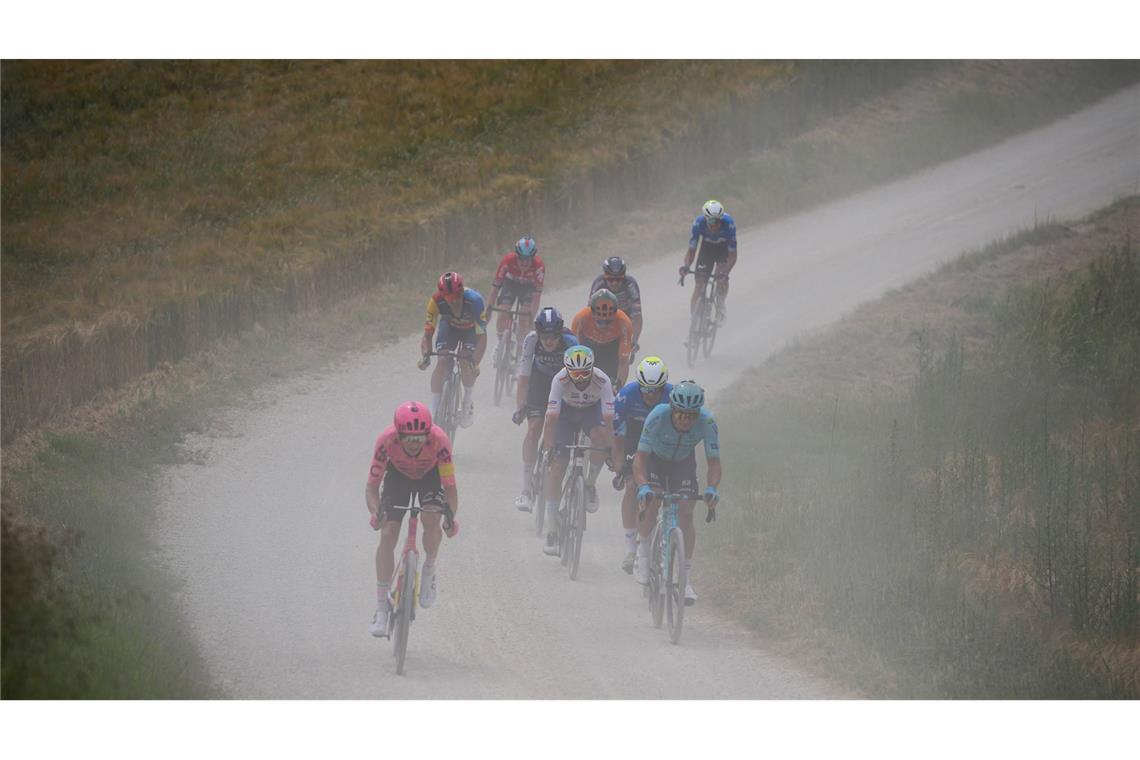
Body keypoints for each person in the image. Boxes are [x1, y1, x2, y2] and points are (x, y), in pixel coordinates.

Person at [366, 401, 461, 636]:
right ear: (398, 434)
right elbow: (371, 488)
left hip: (430, 476)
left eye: (419, 438)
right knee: (388, 534)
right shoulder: (386, 441)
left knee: (432, 519)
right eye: (409, 438)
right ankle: (381, 608)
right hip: (398, 477)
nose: (414, 443)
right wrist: (376, 512)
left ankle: (429, 569)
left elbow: (450, 488)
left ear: (428, 434)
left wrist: (449, 516)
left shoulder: (440, 442)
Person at [633, 380, 720, 605]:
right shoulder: (658, 415)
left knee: (686, 513)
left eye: (691, 416)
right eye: (680, 415)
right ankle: (641, 554)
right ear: (672, 409)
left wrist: (712, 488)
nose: (685, 421)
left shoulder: (707, 421)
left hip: (683, 464)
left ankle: (685, 579)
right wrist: (643, 486)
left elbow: (714, 463)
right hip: (655, 461)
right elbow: (640, 459)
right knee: (651, 503)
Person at [540, 345, 614, 555]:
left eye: (585, 373)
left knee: (599, 436)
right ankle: (552, 527)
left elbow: (609, 420)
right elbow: (551, 418)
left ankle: (589, 484)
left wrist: (609, 447)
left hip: (591, 412)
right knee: (557, 468)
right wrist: (548, 448)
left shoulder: (603, 380)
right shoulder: (559, 379)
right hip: (565, 414)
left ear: (592, 369)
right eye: (576, 373)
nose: (580, 378)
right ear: (567, 370)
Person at [511, 306, 579, 511]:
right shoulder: (531, 340)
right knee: (534, 429)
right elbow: (523, 377)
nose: (549, 341)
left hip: (564, 385)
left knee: (559, 429)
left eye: (553, 336)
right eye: (544, 336)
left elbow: (578, 380)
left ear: (560, 333)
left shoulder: (571, 343)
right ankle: (525, 490)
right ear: (538, 333)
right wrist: (521, 406)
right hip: (539, 383)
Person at [611, 356, 672, 574]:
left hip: (662, 441)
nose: (650, 394)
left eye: (656, 390)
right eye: (646, 389)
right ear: (639, 384)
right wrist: (619, 465)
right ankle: (630, 549)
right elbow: (617, 436)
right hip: (634, 438)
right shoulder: (626, 396)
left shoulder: (672, 396)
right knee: (631, 486)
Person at [418, 272, 487, 428]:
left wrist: (475, 362)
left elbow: (482, 336)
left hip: (471, 331)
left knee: (464, 359)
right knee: (442, 360)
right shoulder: (435, 301)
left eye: (457, 296)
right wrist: (426, 355)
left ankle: (467, 403)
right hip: (449, 328)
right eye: (449, 298)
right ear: (442, 296)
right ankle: (435, 410)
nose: (454, 301)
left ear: (462, 292)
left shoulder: (475, 301)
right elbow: (427, 335)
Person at [487, 237, 545, 360]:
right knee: (503, 310)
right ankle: (499, 343)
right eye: (521, 259)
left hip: (528, 287)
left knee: (524, 318)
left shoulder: (539, 266)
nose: (524, 263)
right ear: (516, 255)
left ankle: (521, 352)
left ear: (533, 257)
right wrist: (489, 309)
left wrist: (531, 317)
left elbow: (536, 297)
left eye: (528, 259)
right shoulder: (508, 260)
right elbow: (495, 287)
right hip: (510, 284)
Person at [680, 199, 737, 323]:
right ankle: (693, 323)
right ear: (706, 219)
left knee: (721, 277)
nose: (715, 225)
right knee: (699, 284)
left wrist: (725, 272)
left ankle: (720, 302)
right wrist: (686, 266)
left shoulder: (729, 225)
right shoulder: (698, 224)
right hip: (707, 249)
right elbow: (691, 250)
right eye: (711, 221)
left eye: (718, 221)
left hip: (723, 249)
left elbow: (733, 256)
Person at [570, 289, 634, 390]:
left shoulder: (624, 322)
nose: (603, 325)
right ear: (592, 313)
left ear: (615, 314)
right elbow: (572, 351)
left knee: (609, 385)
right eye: (599, 321)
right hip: (589, 346)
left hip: (612, 349)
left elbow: (623, 361)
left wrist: (618, 386)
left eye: (608, 321)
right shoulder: (581, 318)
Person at [589, 256, 643, 354]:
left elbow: (637, 315)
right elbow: (590, 311)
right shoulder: (599, 283)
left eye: (618, 279)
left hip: (625, 317)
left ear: (624, 277)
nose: (614, 283)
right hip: (604, 316)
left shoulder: (630, 284)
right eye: (610, 279)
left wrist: (634, 340)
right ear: (605, 276)